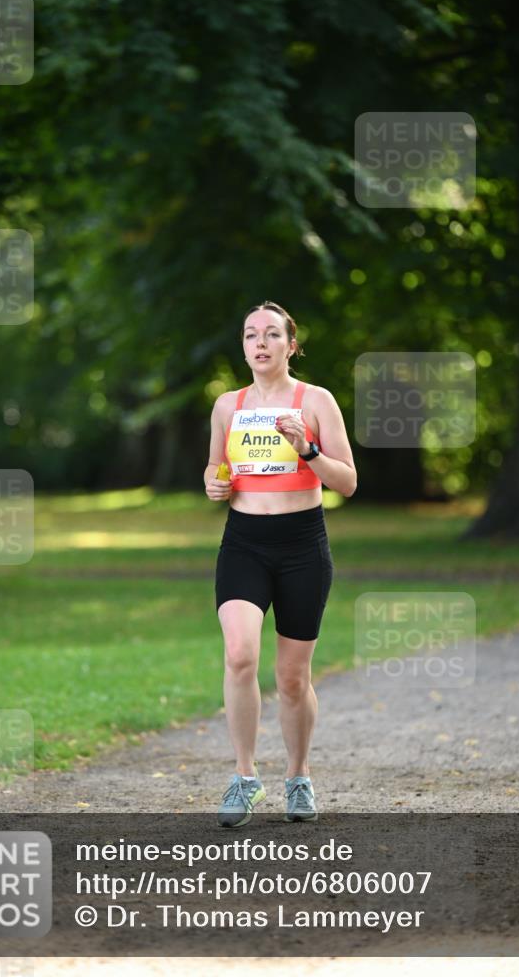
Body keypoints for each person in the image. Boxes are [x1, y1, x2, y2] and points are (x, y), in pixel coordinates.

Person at [204, 301, 357, 828]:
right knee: (239, 654)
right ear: (244, 347)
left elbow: (347, 481)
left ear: (291, 346)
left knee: (292, 677)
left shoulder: (315, 400)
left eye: (271, 334)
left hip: (302, 546)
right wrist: (214, 482)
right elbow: (215, 467)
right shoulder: (227, 405)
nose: (260, 343)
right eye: (251, 335)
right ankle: (244, 777)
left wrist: (307, 448)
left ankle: (298, 777)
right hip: (244, 543)